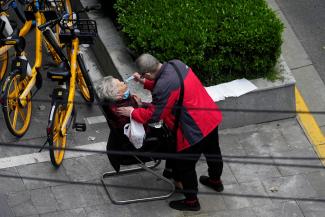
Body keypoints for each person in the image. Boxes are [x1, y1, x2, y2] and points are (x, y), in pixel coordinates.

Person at [117, 53, 224, 211]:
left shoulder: (163, 86)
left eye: (143, 76)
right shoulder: (176, 64)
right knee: (213, 152)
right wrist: (144, 82)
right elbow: (170, 85)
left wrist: (132, 112)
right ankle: (216, 182)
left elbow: (154, 116)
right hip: (210, 118)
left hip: (193, 130)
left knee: (185, 167)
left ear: (146, 73)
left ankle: (192, 202)